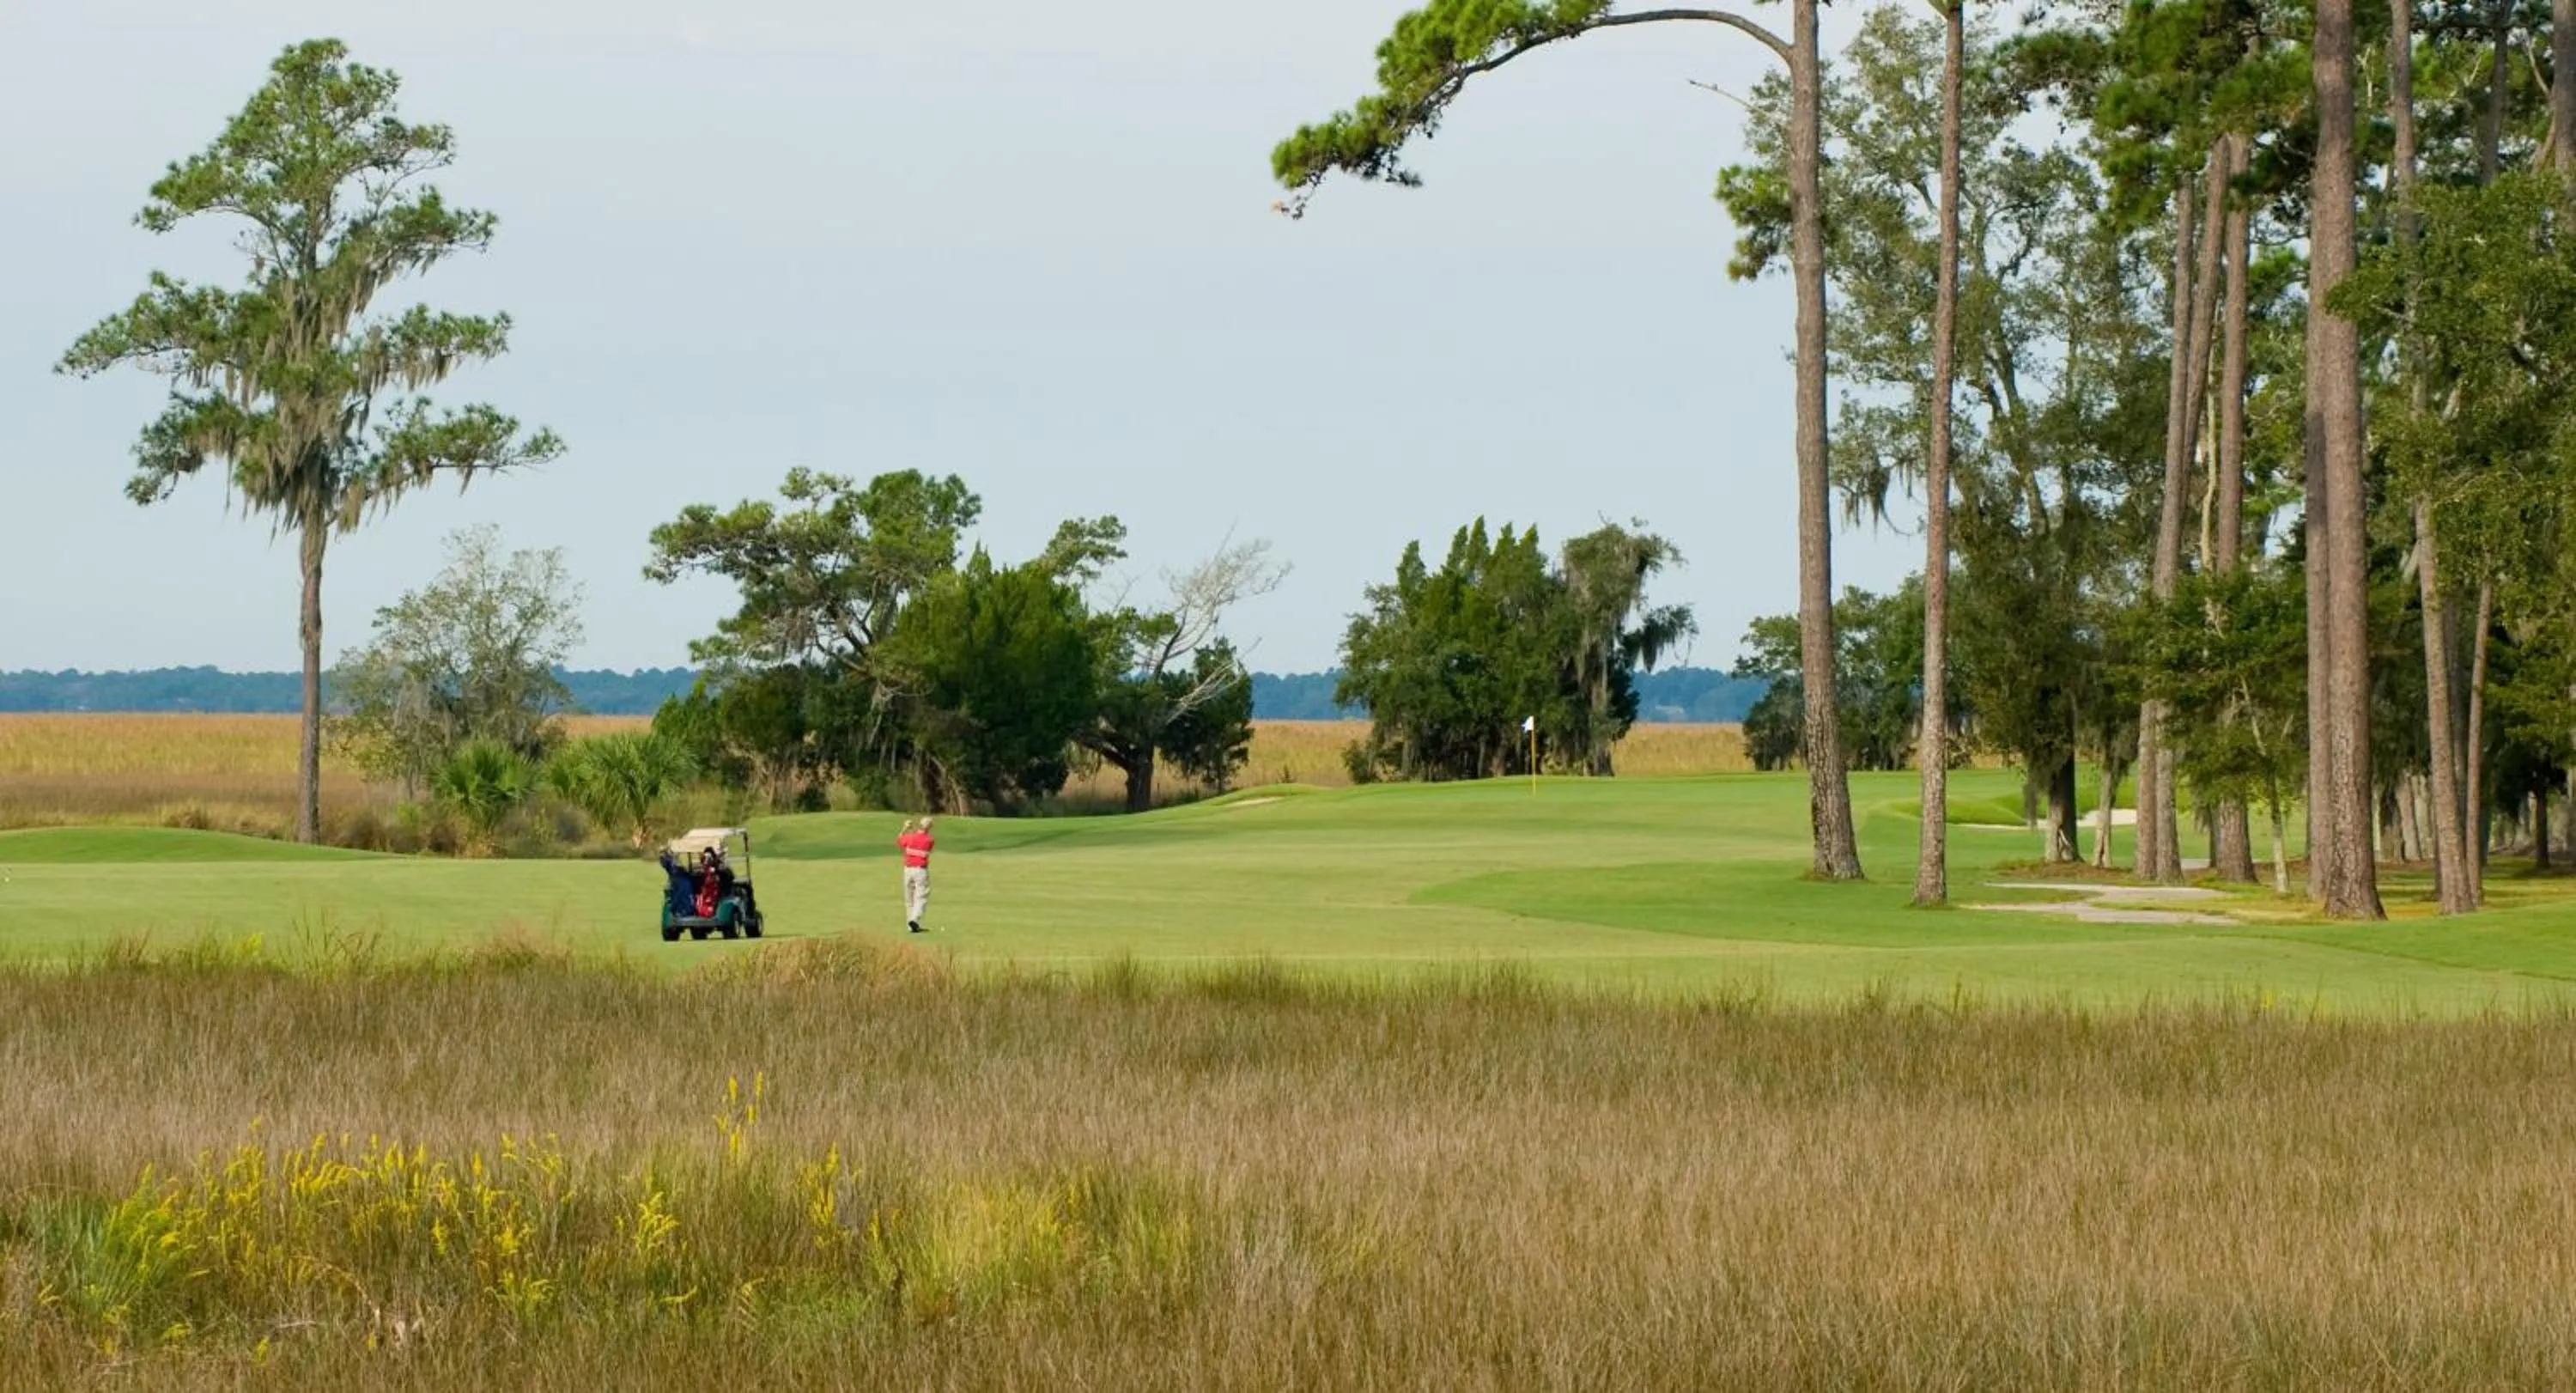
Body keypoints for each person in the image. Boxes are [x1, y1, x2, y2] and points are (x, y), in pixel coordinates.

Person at [896, 816, 934, 933]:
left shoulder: (910, 837)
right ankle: (915, 920)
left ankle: (910, 925)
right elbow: (921, 840)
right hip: (921, 871)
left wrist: (905, 828)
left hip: (908, 870)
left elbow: (900, 841)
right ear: (929, 827)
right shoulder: (930, 840)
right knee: (921, 897)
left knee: (909, 899)